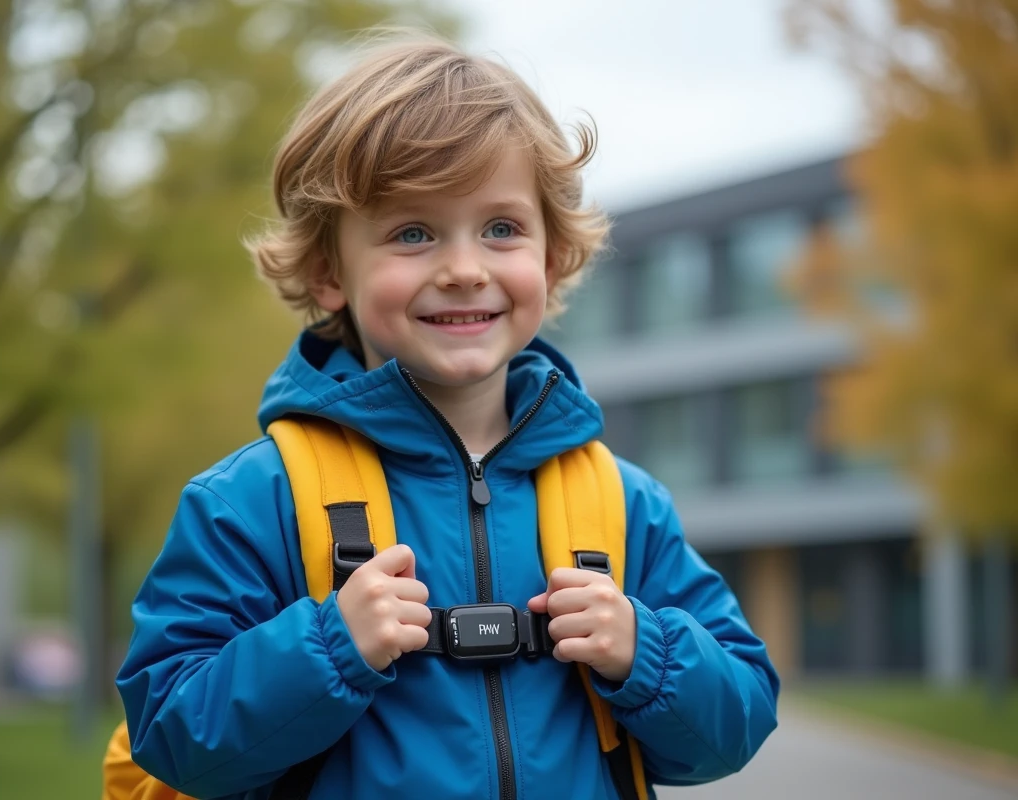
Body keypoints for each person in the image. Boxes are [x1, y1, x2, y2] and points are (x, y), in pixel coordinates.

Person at [116, 31, 779, 800]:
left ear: (553, 256)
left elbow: (737, 722)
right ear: (330, 273)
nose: (465, 270)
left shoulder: (622, 503)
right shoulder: (252, 499)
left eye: (501, 229)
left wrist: (646, 652)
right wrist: (329, 650)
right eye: (412, 233)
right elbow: (170, 732)